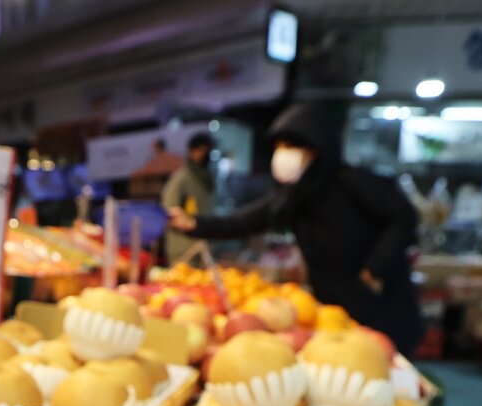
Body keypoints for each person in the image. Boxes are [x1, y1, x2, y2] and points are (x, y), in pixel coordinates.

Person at [169, 103, 425, 354]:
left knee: (383, 370)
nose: (283, 154)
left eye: (291, 146)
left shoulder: (351, 183)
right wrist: (193, 224)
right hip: (334, 310)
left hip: (381, 306)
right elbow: (242, 221)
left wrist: (373, 270)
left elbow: (404, 218)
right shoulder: (293, 195)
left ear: (317, 149)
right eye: (278, 147)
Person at [161, 132, 216, 265]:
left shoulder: (205, 178)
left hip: (202, 246)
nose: (206, 154)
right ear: (192, 151)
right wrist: (187, 223)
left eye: (208, 150)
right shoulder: (181, 179)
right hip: (183, 250)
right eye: (202, 150)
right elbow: (169, 210)